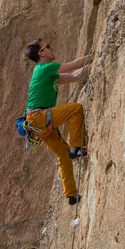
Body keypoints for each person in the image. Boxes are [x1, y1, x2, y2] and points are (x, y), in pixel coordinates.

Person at [24, 38, 90, 206]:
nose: (52, 48)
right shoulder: (44, 68)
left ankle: (71, 195)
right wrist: (93, 54)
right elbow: (75, 65)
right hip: (39, 118)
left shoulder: (49, 74)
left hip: (37, 125)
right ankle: (76, 148)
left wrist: (90, 67)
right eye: (48, 46)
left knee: (62, 153)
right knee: (75, 109)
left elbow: (77, 76)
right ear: (42, 53)